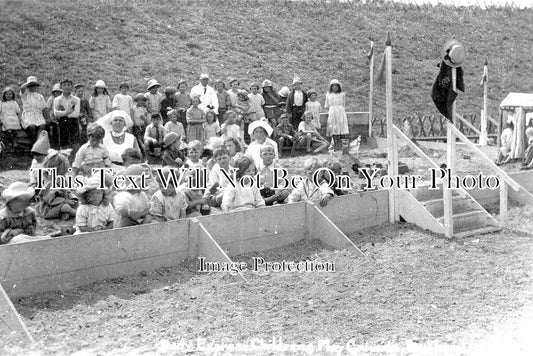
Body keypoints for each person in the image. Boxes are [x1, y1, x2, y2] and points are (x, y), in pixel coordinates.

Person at [36, 152, 78, 220]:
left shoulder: (62, 179)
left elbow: (66, 191)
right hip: (50, 207)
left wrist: (72, 197)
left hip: (62, 202)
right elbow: (50, 199)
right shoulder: (50, 183)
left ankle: (65, 213)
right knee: (65, 207)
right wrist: (64, 201)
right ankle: (74, 213)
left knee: (76, 203)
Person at [54, 78, 81, 152]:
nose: (66, 87)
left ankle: (77, 159)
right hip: (62, 122)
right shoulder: (57, 99)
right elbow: (56, 114)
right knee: (63, 142)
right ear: (61, 87)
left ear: (72, 87)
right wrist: (67, 112)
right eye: (64, 85)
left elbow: (76, 114)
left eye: (68, 85)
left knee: (75, 141)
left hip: (73, 122)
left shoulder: (76, 99)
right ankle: (64, 158)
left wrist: (62, 114)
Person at [19, 76, 47, 144]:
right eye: (31, 86)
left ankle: (38, 145)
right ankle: (33, 144)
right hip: (28, 115)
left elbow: (44, 107)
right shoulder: (25, 94)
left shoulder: (40, 96)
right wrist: (28, 83)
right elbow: (22, 88)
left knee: (42, 125)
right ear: (28, 86)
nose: (32, 87)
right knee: (32, 126)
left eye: (34, 85)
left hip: (38, 115)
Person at [324, 79, 349, 151]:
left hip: (340, 111)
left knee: (341, 127)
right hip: (332, 111)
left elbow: (344, 104)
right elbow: (327, 105)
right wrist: (329, 113)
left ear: (339, 87)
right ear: (331, 87)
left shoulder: (342, 94)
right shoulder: (328, 94)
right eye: (333, 86)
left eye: (336, 86)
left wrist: (341, 111)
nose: (334, 88)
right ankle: (335, 145)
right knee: (334, 127)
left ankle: (343, 146)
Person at [44, 83, 62, 148]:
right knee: (52, 127)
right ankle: (52, 144)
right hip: (52, 116)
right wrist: (50, 116)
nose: (58, 94)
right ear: (54, 93)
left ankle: (60, 143)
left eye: (60, 92)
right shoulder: (51, 99)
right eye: (56, 92)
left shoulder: (61, 99)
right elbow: (47, 108)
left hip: (59, 116)